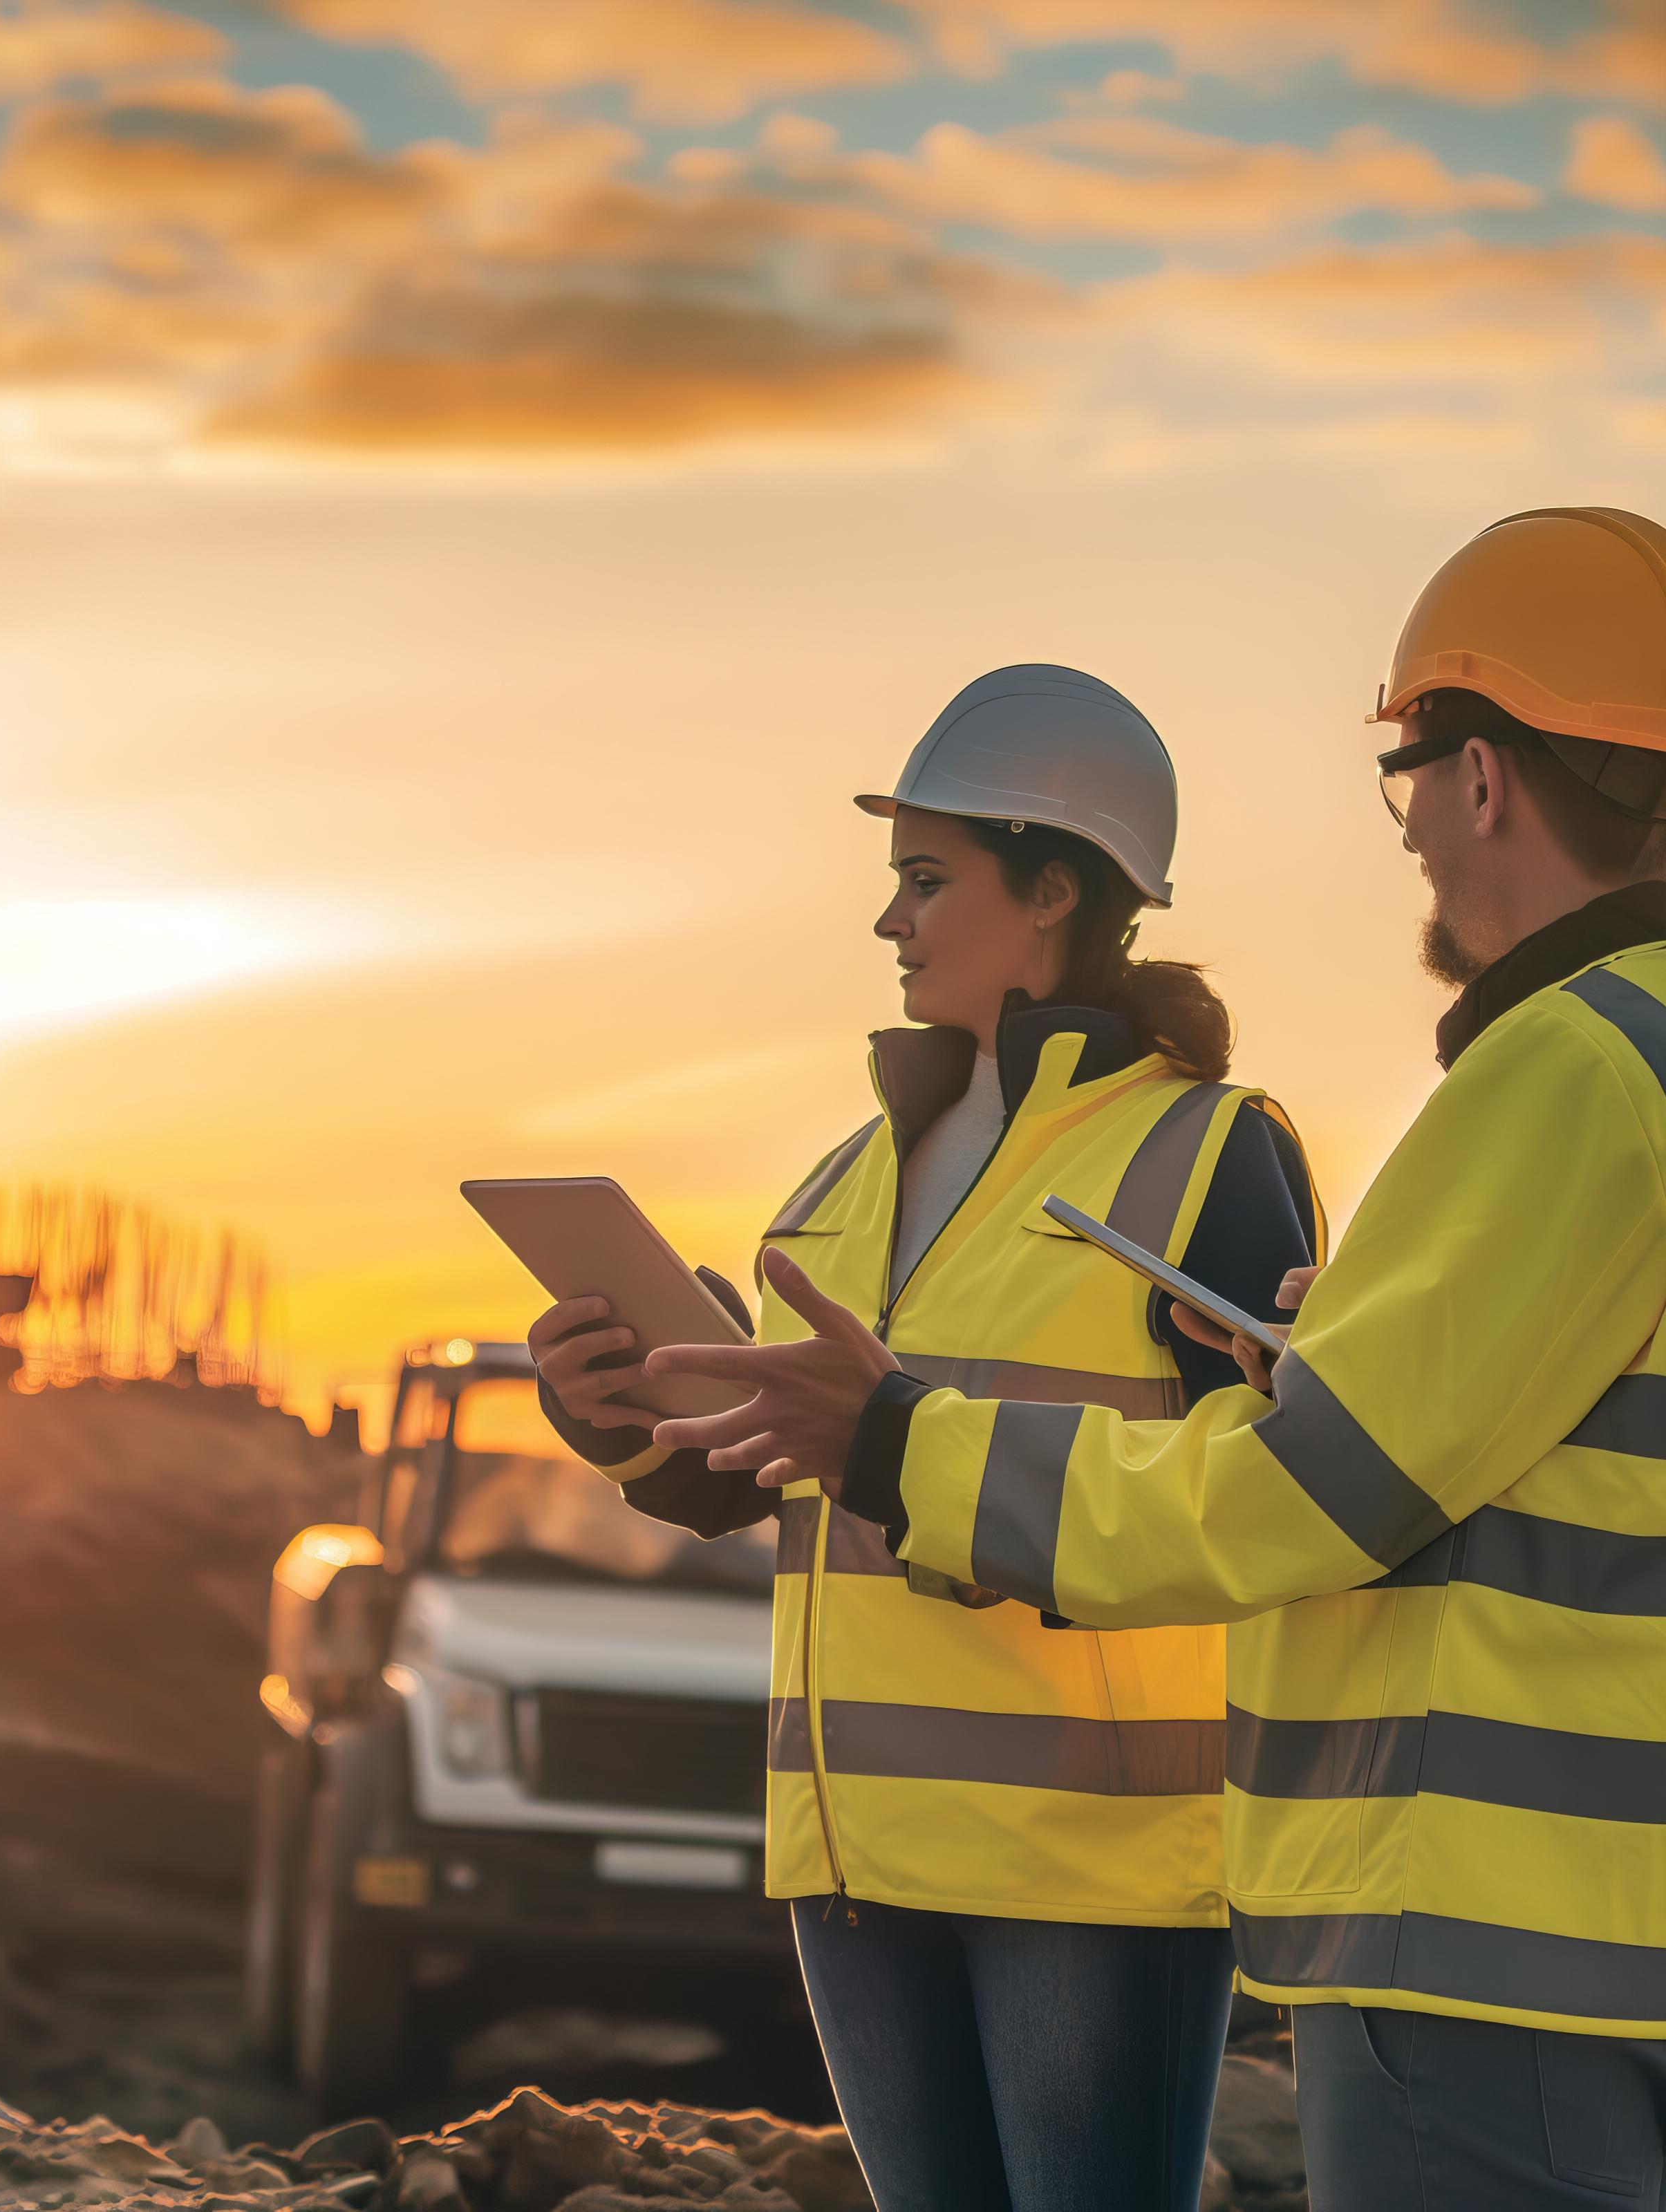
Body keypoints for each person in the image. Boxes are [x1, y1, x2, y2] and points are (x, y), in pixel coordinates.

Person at [640, 512, 1666, 2212]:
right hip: (1624, 1901)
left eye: (1411, 775)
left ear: (1486, 776)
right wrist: (1324, 1358)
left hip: (1490, 1911)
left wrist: (908, 1450)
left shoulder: (1561, 1081)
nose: (1415, 831)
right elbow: (1552, 1438)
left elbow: (1298, 1499)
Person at [525, 664, 1324, 2212]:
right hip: (857, 1857)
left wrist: (936, 1465)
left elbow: (1273, 1508)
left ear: (1050, 890)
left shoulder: (1207, 1153)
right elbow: (759, 1479)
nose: (889, 920)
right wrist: (621, 1415)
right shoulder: (846, 1176)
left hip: (1086, 1868)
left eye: (923, 878)